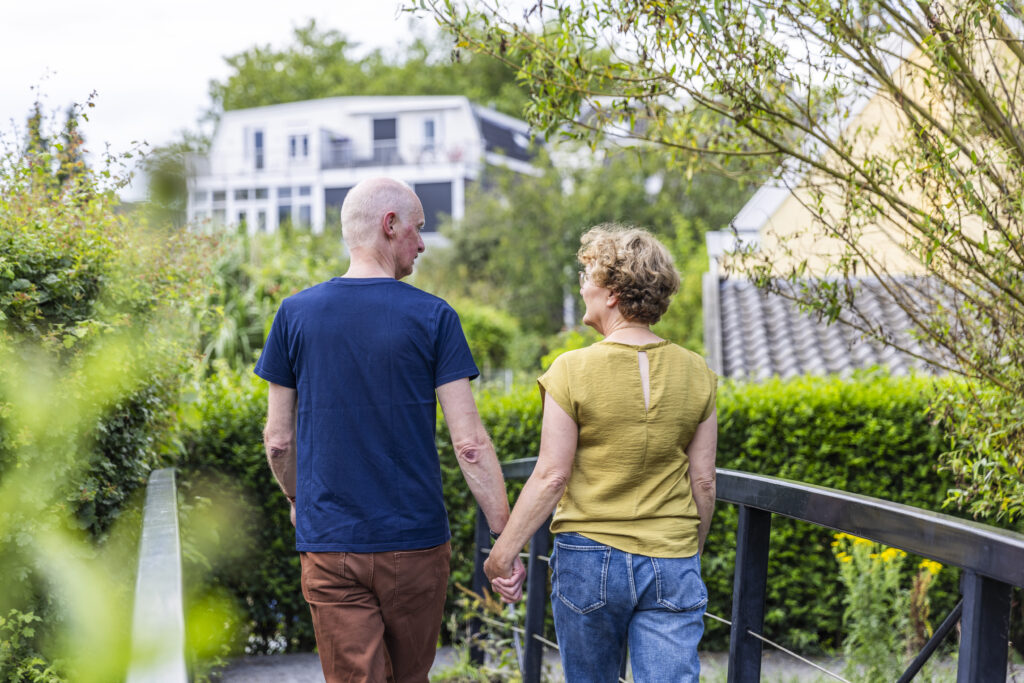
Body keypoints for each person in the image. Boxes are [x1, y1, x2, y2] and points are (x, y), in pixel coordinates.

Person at [255, 177, 525, 683]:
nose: (422, 244)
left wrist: (298, 499)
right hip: (416, 546)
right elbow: (469, 444)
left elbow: (278, 440)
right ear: (390, 224)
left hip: (331, 544)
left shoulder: (294, 315)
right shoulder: (434, 317)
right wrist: (503, 541)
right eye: (418, 230)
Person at [485, 225, 718, 682]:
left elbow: (552, 475)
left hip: (589, 558)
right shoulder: (698, 372)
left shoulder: (571, 369)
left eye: (588, 275)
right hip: (671, 557)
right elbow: (704, 481)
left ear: (612, 292)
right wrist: (688, 549)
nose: (583, 285)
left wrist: (503, 553)